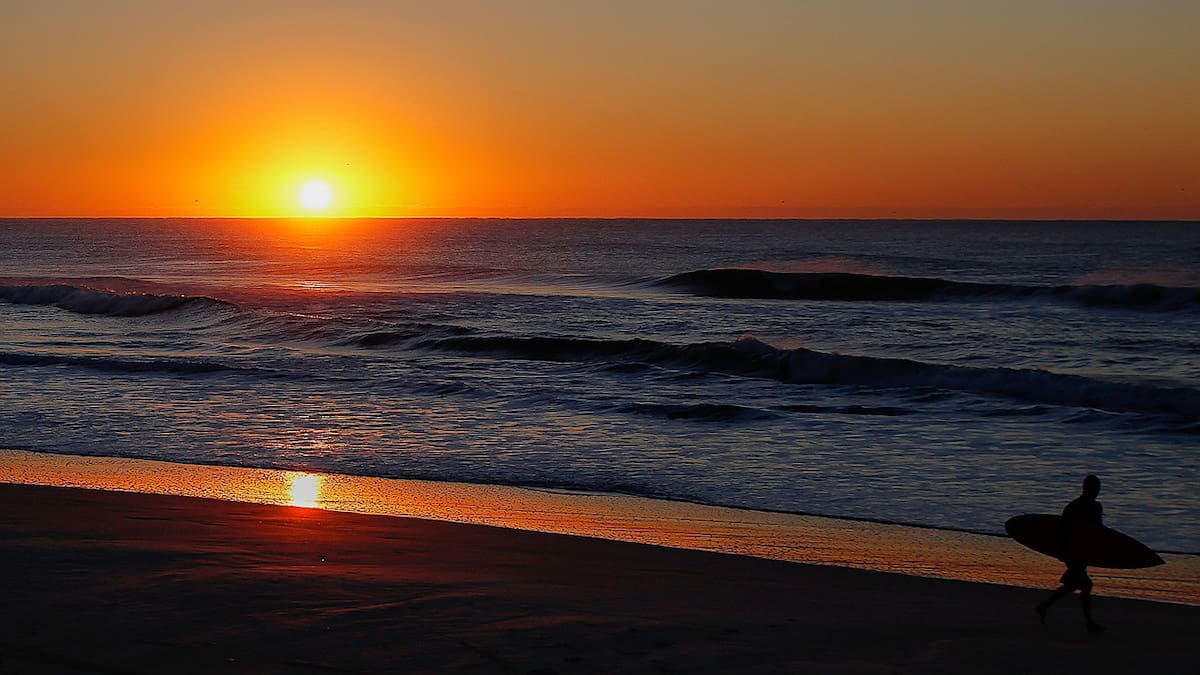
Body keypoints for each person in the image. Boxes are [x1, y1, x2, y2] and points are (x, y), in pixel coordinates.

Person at [1036, 474, 1106, 632]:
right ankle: (1089, 624)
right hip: (1075, 552)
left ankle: (1043, 606)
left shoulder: (1073, 505)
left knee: (1073, 584)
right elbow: (1098, 531)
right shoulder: (1092, 507)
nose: (1097, 491)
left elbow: (1063, 531)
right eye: (1095, 488)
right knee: (1086, 585)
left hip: (1077, 552)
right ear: (1088, 488)